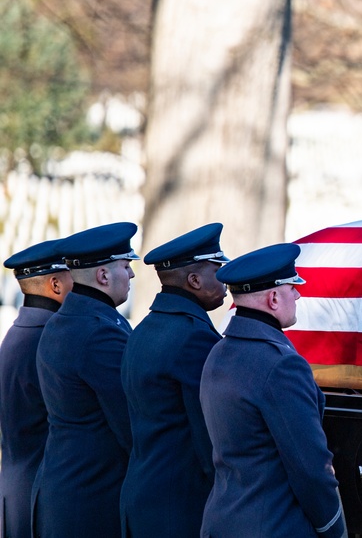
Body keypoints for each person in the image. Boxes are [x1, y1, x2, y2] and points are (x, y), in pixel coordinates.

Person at [200, 243, 347, 538]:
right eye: (293, 287)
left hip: (222, 522)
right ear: (274, 298)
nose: (298, 294)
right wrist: (334, 528)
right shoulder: (281, 366)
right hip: (273, 526)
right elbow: (311, 468)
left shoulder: (219, 351)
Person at [120, 223, 229, 538]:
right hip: (178, 507)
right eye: (217, 270)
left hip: (141, 495)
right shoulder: (194, 337)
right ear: (194, 280)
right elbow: (208, 435)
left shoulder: (143, 329)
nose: (225, 281)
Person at [32, 222, 138, 538]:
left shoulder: (65, 320)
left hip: (65, 485)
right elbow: (129, 422)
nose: (131, 274)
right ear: (104, 276)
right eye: (126, 265)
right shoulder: (100, 333)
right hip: (91, 495)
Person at [0, 239, 72, 538]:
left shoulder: (19, 333)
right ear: (55, 284)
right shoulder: (48, 339)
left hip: (17, 486)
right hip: (39, 495)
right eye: (74, 275)